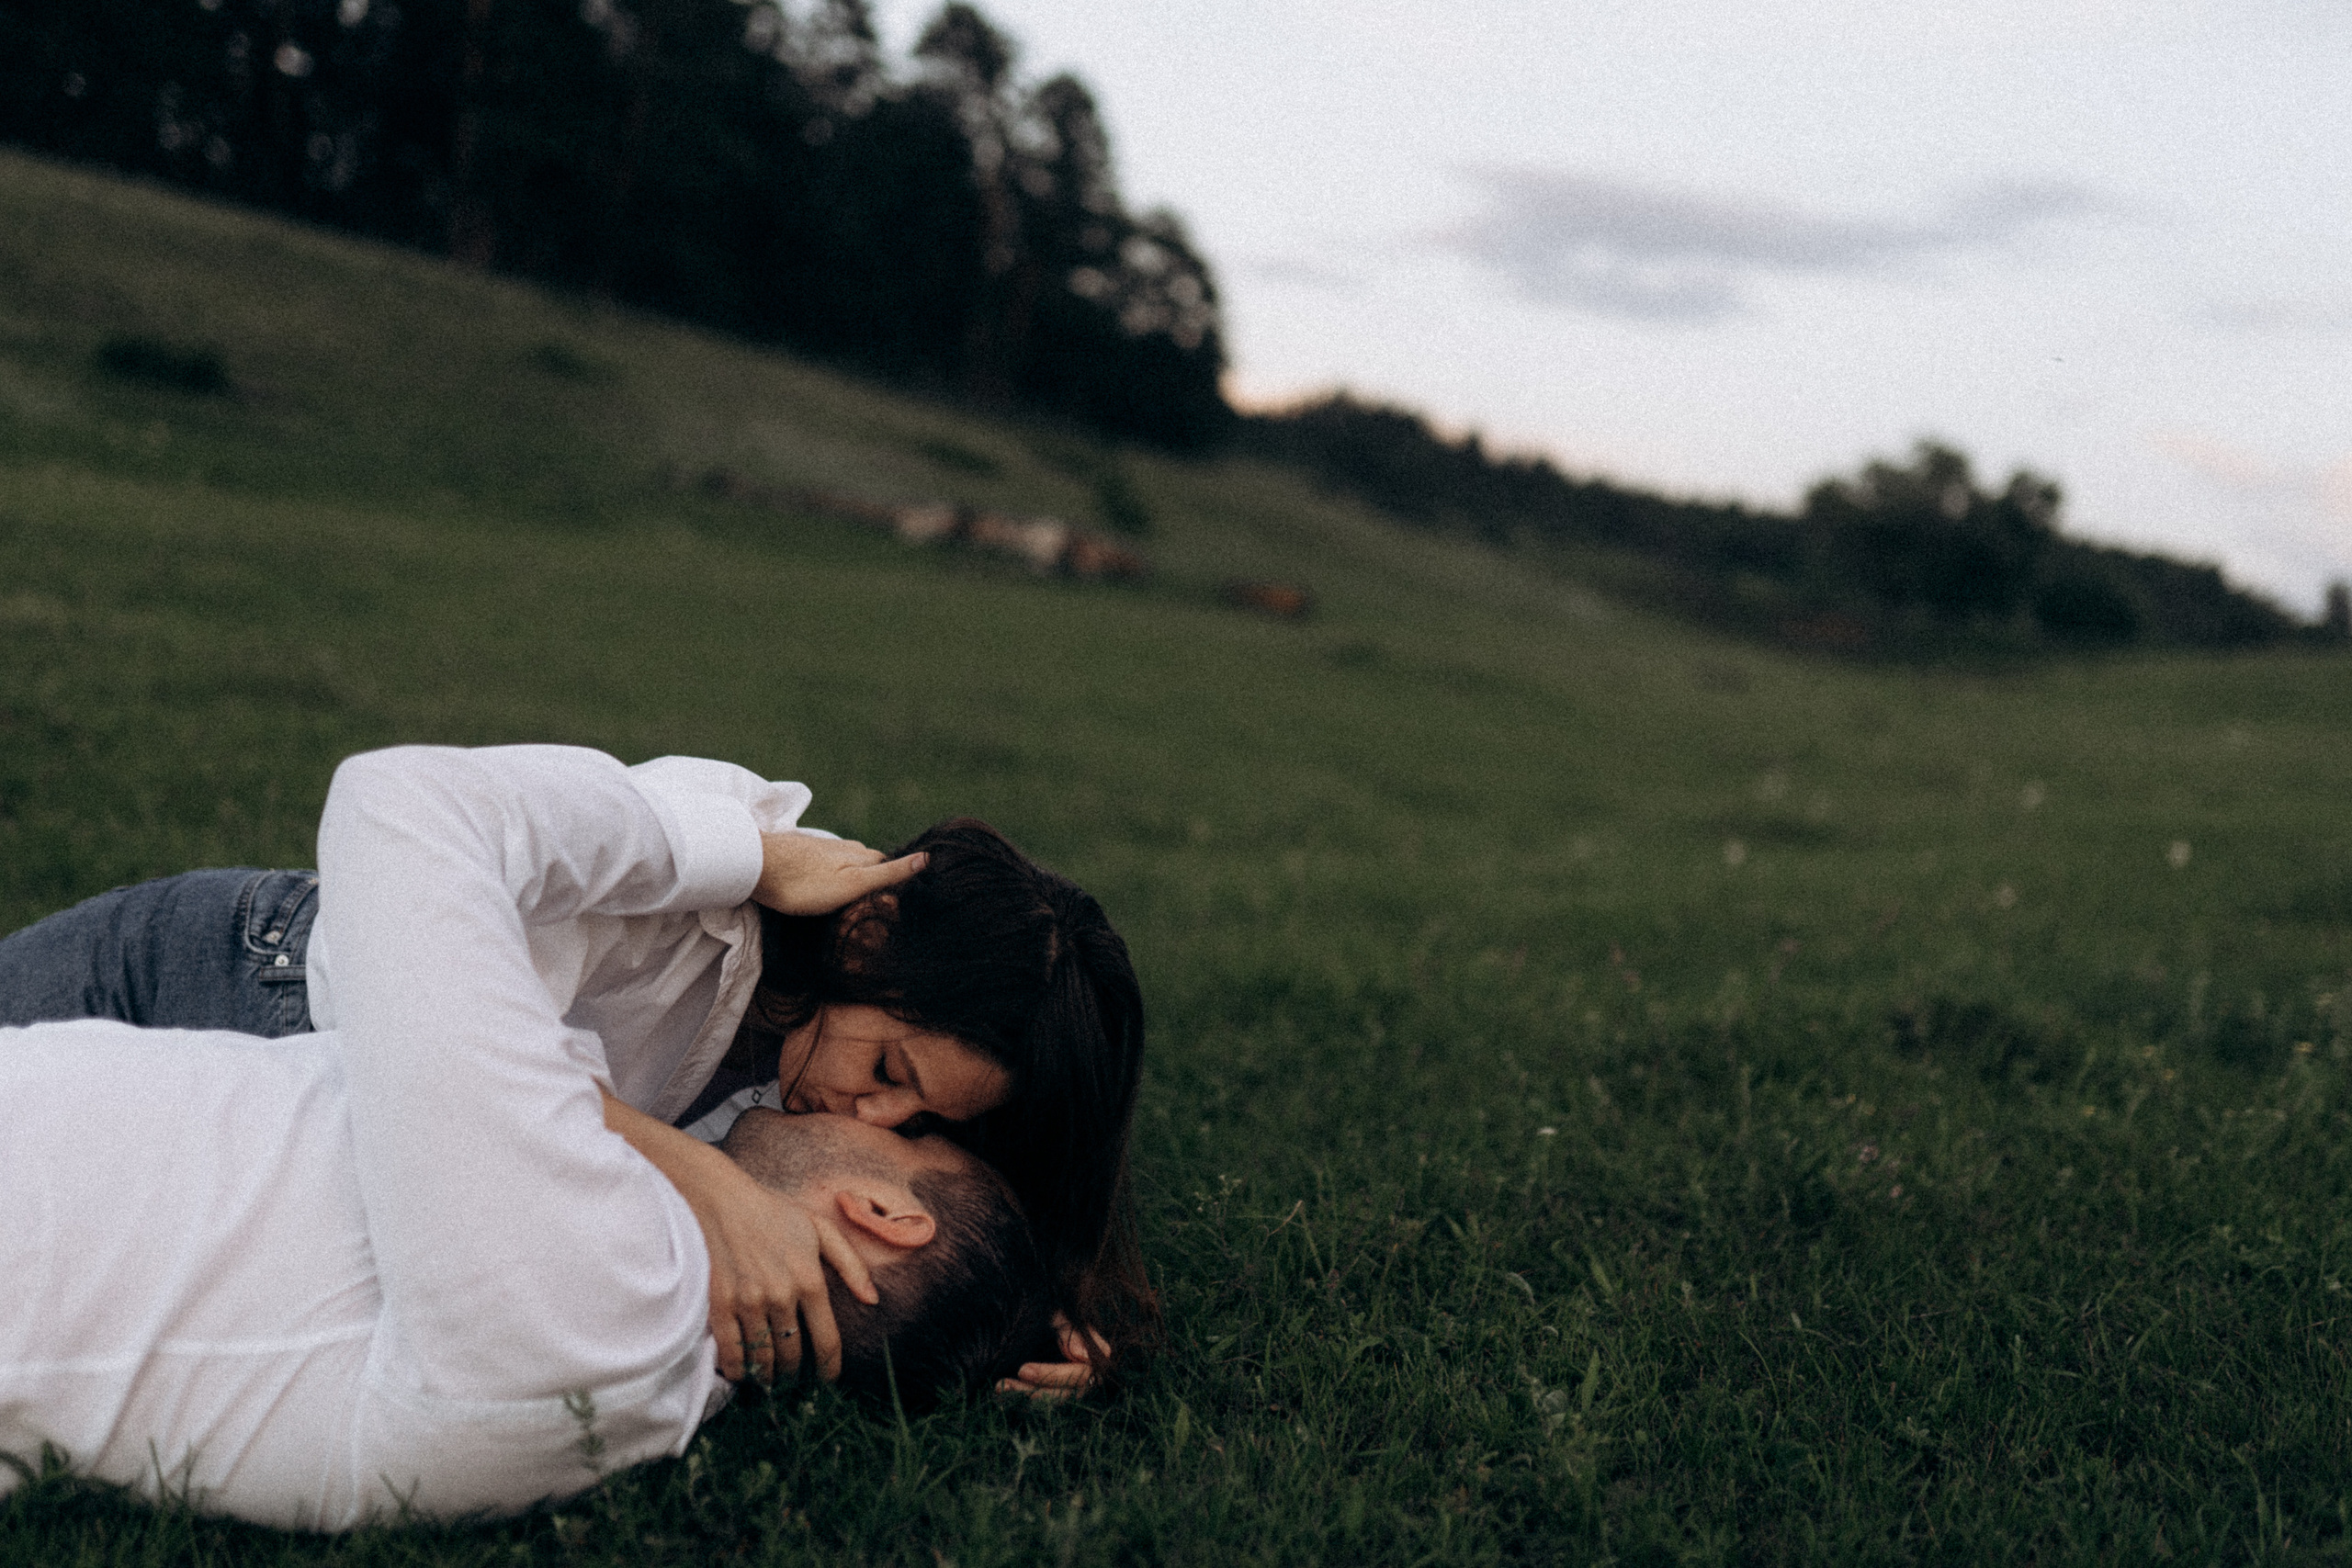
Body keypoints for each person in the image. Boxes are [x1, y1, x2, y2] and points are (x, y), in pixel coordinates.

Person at [0, 750, 1056, 1529]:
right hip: (241, 983)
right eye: (888, 1078)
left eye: (911, 1123)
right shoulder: (700, 890)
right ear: (866, 943)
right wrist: (746, 859)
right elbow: (422, 1024)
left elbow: (404, 819)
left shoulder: (608, 1301)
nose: (863, 1114)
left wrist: (1020, 1314)